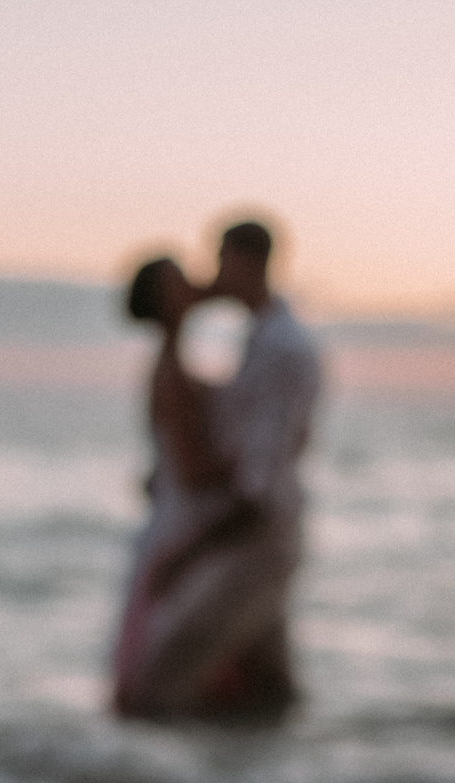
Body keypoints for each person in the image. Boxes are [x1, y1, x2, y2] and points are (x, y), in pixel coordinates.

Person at [110, 219, 323, 722]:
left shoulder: (273, 349)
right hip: (225, 531)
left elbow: (254, 475)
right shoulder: (225, 356)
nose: (206, 278)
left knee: (187, 680)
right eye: (183, 278)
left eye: (217, 260)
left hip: (245, 535)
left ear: (246, 262)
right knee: (248, 683)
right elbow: (201, 463)